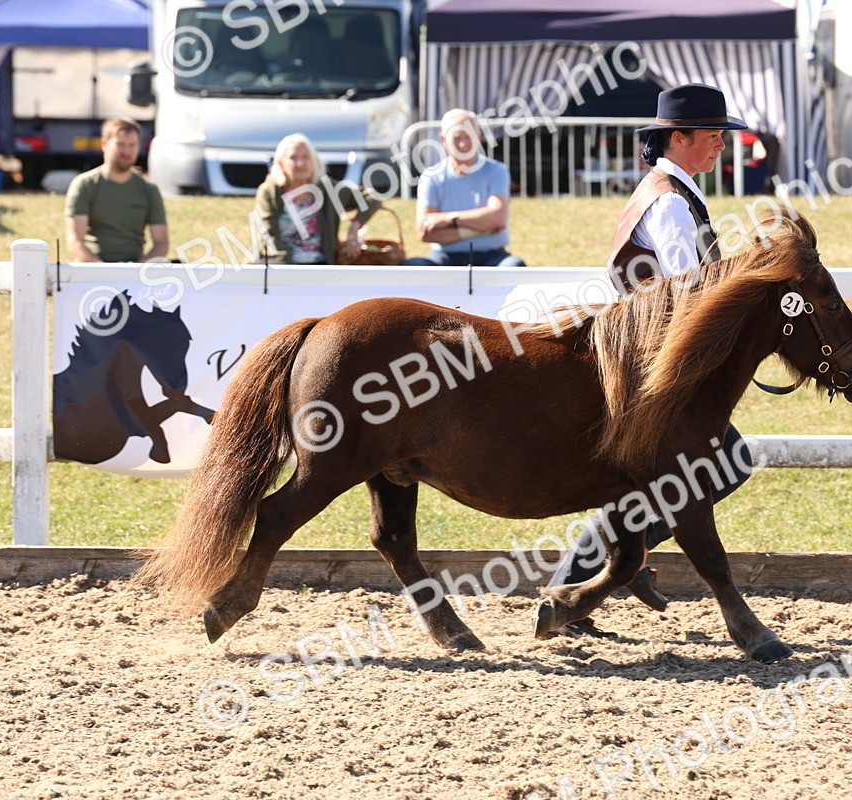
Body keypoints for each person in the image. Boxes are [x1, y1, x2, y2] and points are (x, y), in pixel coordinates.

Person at [547, 83, 755, 634]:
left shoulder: (670, 192)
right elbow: (691, 291)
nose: (720, 146)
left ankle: (608, 569)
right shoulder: (668, 201)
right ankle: (610, 568)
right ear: (679, 138)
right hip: (649, 360)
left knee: (678, 473)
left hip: (648, 354)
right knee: (723, 460)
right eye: (713, 136)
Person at [404, 109, 526, 267]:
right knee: (412, 266)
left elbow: (497, 218)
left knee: (513, 266)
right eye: (456, 138)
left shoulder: (496, 171)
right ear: (443, 140)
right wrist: (482, 228)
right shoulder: (431, 176)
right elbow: (425, 232)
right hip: (444, 257)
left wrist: (448, 219)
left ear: (479, 137)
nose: (463, 144)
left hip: (492, 257)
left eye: (468, 136)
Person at [254, 133, 383, 264]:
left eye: (306, 157)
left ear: (314, 161)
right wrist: (288, 266)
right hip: (280, 264)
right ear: (281, 162)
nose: (300, 163)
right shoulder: (269, 191)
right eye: (293, 157)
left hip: (320, 264)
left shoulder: (327, 189)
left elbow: (372, 196)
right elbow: (266, 233)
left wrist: (355, 226)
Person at [65, 117, 168, 262]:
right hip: (92, 268)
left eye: (132, 145)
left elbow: (161, 242)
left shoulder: (149, 189)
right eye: (120, 144)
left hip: (135, 271)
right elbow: (75, 241)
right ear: (104, 144)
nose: (127, 151)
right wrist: (104, 271)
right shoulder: (84, 185)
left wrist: (137, 269)